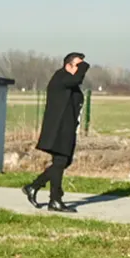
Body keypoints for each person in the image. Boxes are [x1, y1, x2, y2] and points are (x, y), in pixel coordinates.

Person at [25, 52, 90, 213]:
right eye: (78, 65)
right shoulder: (61, 77)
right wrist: (84, 67)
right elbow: (76, 79)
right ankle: (53, 199)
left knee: (63, 162)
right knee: (61, 162)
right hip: (58, 129)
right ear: (68, 66)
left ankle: (36, 188)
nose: (81, 68)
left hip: (66, 128)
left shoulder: (68, 81)